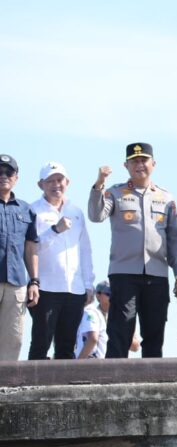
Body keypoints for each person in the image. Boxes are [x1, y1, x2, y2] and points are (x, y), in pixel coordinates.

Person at [88, 142, 177, 358]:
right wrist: (99, 185)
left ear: (153, 163)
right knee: (120, 330)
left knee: (154, 333)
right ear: (126, 165)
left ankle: (152, 385)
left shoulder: (166, 197)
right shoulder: (114, 192)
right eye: (134, 161)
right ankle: (114, 384)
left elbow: (174, 239)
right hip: (124, 273)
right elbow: (96, 216)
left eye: (144, 160)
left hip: (157, 273)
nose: (139, 165)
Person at [28, 162, 95, 360]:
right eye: (50, 181)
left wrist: (89, 284)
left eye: (60, 180)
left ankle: (62, 390)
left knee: (67, 346)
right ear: (41, 185)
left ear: (68, 182)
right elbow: (32, 248)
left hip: (74, 289)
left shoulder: (76, 211)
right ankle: (33, 388)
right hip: (46, 288)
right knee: (41, 342)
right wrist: (54, 230)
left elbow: (85, 250)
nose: (56, 185)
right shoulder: (33, 210)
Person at [0, 154, 39, 360]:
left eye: (9, 172)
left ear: (16, 177)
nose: (3, 175)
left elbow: (31, 247)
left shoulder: (26, 210)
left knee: (13, 340)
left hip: (16, 283)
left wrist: (34, 281)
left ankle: (4, 390)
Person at [76, 280, 110, 358]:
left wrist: (78, 364)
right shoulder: (91, 311)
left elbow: (93, 339)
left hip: (91, 364)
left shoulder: (89, 312)